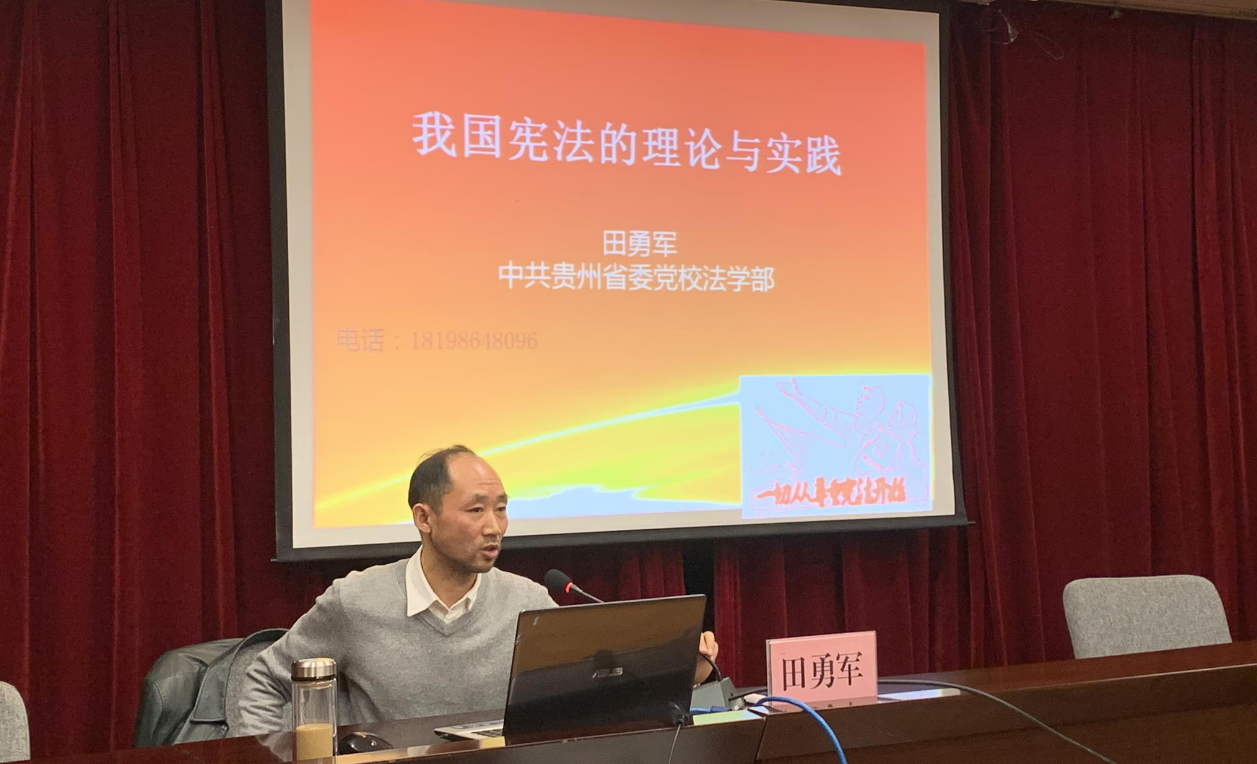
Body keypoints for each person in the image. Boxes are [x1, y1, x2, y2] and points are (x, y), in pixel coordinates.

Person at [236, 446, 718, 734]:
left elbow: (593, 699)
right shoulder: (356, 601)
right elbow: (262, 681)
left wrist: (685, 671)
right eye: (476, 510)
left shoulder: (528, 602)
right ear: (424, 518)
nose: (495, 527)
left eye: (501, 509)